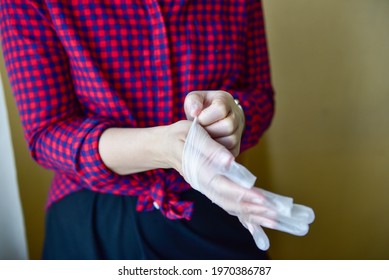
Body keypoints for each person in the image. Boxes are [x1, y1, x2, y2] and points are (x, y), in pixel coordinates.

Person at [0, 0, 274, 259]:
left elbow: (259, 95)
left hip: (214, 200)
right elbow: (47, 132)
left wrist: (234, 114)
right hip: (96, 212)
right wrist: (161, 147)